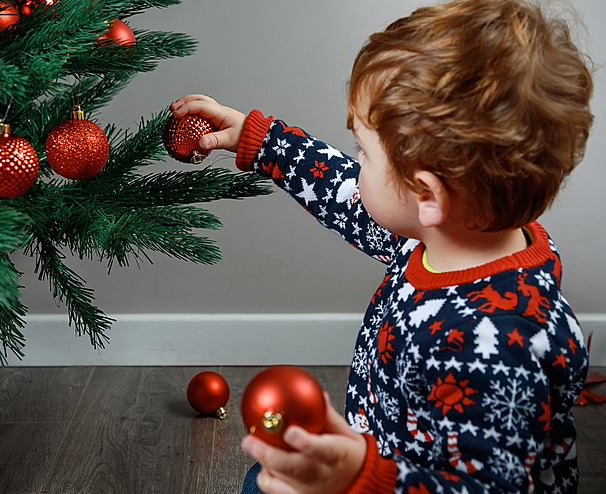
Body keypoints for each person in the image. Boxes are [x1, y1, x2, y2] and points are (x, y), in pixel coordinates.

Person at [170, 0, 593, 491]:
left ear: (427, 195)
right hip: (383, 457)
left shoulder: (494, 344)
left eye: (364, 153)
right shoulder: (457, 233)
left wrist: (359, 477)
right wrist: (262, 142)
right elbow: (347, 195)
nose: (357, 166)